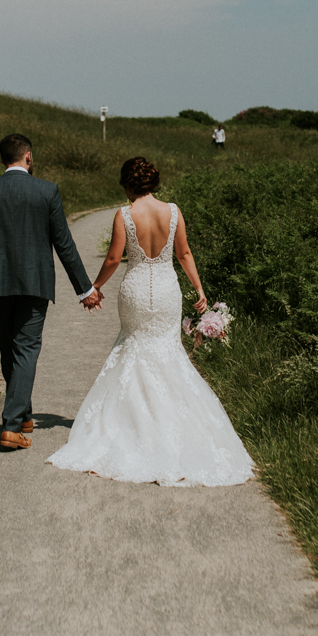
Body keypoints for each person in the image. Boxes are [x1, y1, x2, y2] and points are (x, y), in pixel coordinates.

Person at [48, 157, 254, 486]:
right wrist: (199, 289)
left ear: (129, 184)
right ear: (153, 183)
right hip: (167, 291)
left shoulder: (126, 215)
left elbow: (115, 257)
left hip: (135, 292)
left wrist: (94, 288)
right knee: (168, 352)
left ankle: (132, 424)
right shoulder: (172, 212)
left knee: (132, 349)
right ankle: (175, 427)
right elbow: (184, 254)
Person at [0, 134, 102, 451]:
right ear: (29, 157)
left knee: (10, 349)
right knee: (25, 349)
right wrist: (85, 289)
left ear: (3, 159)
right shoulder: (46, 190)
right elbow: (64, 243)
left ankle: (23, 416)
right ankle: (10, 427)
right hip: (35, 283)